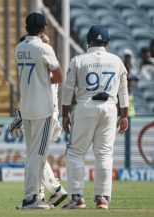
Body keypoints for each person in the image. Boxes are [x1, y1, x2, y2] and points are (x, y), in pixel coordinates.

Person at [61, 25, 129, 209]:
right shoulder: (116, 61)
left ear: (87, 41)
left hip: (85, 106)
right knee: (105, 154)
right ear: (107, 42)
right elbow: (123, 90)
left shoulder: (78, 60)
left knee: (75, 153)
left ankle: (76, 198)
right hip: (109, 108)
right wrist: (124, 116)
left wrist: (65, 114)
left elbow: (68, 89)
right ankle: (102, 198)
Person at [11, 12, 63, 209]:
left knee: (33, 153)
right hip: (43, 109)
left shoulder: (19, 48)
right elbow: (58, 77)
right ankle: (31, 199)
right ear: (43, 29)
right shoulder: (44, 48)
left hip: (26, 108)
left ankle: (33, 197)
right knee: (38, 156)